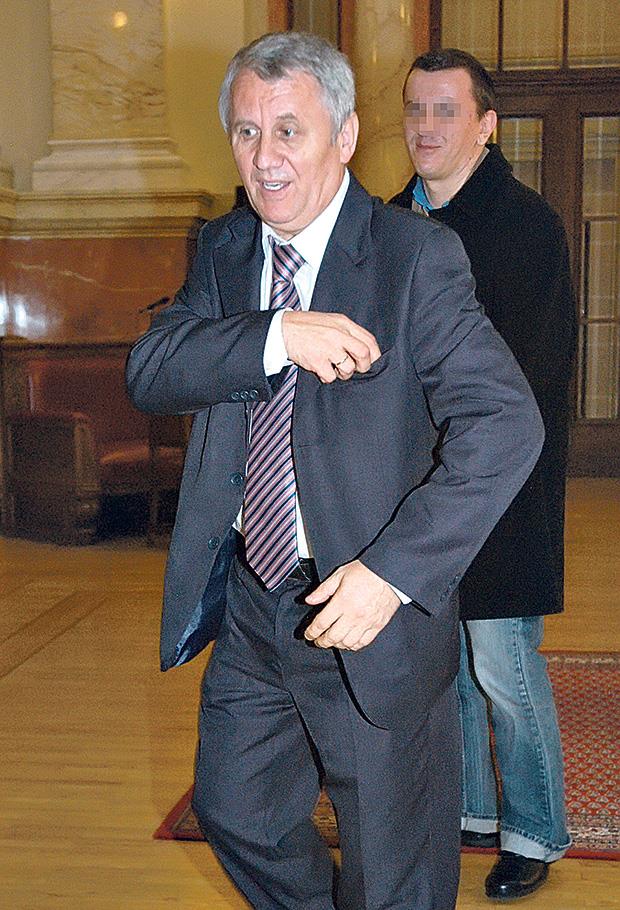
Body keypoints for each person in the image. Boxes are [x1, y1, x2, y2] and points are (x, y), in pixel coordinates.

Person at [127, 32, 544, 910]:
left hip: (368, 613)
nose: (264, 158)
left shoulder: (412, 255)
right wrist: (277, 334)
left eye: (289, 131)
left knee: (395, 877)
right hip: (253, 604)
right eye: (247, 132)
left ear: (345, 136)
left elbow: (506, 424)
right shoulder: (227, 249)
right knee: (236, 811)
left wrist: (391, 573)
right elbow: (153, 370)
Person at [391, 48, 576, 901]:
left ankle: (534, 831)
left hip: (502, 487)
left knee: (504, 665)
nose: (426, 127)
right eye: (415, 109)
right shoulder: (390, 223)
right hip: (414, 490)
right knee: (445, 663)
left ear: (486, 126)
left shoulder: (529, 227)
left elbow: (533, 378)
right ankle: (468, 808)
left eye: (446, 111)